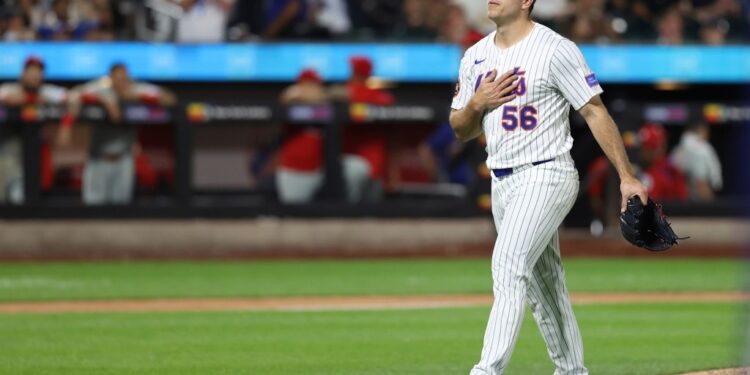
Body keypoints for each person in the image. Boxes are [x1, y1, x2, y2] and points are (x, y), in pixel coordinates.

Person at [448, 1, 647, 374]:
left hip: (547, 173)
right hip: (502, 181)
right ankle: (573, 370)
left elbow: (594, 111)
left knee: (508, 266)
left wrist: (627, 176)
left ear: (526, 1)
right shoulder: (475, 56)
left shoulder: (555, 48)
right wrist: (477, 103)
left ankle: (486, 370)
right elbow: (461, 128)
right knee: (545, 286)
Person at [57, 63, 176, 205]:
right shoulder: (101, 87)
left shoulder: (136, 89)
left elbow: (170, 98)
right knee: (93, 207)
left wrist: (136, 97)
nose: (120, 81)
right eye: (117, 78)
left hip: (124, 160)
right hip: (98, 159)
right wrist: (104, 99)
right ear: (111, 78)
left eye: (123, 78)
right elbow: (73, 95)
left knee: (121, 209)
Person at [0, 56, 67, 204]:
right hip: (6, 152)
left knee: (20, 200)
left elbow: (71, 97)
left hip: (30, 155)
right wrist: (33, 99)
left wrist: (64, 128)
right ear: (23, 74)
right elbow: (8, 98)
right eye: (31, 72)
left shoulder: (46, 91)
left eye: (39, 72)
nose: (35, 76)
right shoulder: (9, 88)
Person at [635, 123, 689, 201]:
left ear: (659, 149)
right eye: (641, 147)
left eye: (646, 148)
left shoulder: (663, 174)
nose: (642, 152)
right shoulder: (647, 168)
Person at [670, 122, 722, 201]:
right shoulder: (705, 147)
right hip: (701, 184)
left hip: (685, 185)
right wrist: (716, 182)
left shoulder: (681, 145)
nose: (708, 133)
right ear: (699, 130)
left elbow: (672, 162)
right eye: (706, 130)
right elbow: (715, 171)